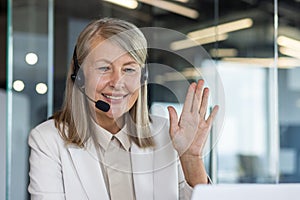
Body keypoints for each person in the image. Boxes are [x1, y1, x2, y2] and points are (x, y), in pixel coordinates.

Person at [28, 17, 219, 200]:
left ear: (142, 77)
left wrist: (191, 159)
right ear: (80, 76)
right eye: (104, 68)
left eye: (129, 69)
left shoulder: (168, 135)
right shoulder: (48, 140)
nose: (117, 83)